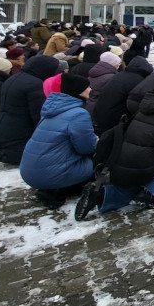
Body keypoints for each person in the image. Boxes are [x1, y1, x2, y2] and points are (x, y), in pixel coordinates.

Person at [74, 74, 154, 219]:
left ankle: (102, 195)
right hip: (139, 170)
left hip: (120, 166)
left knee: (127, 192)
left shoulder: (142, 110)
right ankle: (151, 194)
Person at [19, 74, 98, 208]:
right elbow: (86, 148)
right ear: (77, 91)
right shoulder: (78, 113)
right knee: (99, 165)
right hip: (51, 174)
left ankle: (52, 188)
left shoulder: (51, 109)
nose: (90, 89)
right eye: (87, 87)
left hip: (30, 172)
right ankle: (59, 191)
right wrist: (97, 140)